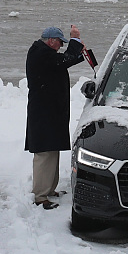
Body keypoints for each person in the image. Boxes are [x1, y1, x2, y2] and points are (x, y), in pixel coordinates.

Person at [25, 24, 85, 209]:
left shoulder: (44, 52)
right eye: (60, 42)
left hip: (50, 111)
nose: (61, 46)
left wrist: (78, 50)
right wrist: (75, 40)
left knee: (52, 150)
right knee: (44, 153)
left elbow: (65, 59)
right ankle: (41, 196)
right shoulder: (40, 53)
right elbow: (64, 60)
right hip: (43, 113)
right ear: (51, 40)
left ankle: (50, 190)